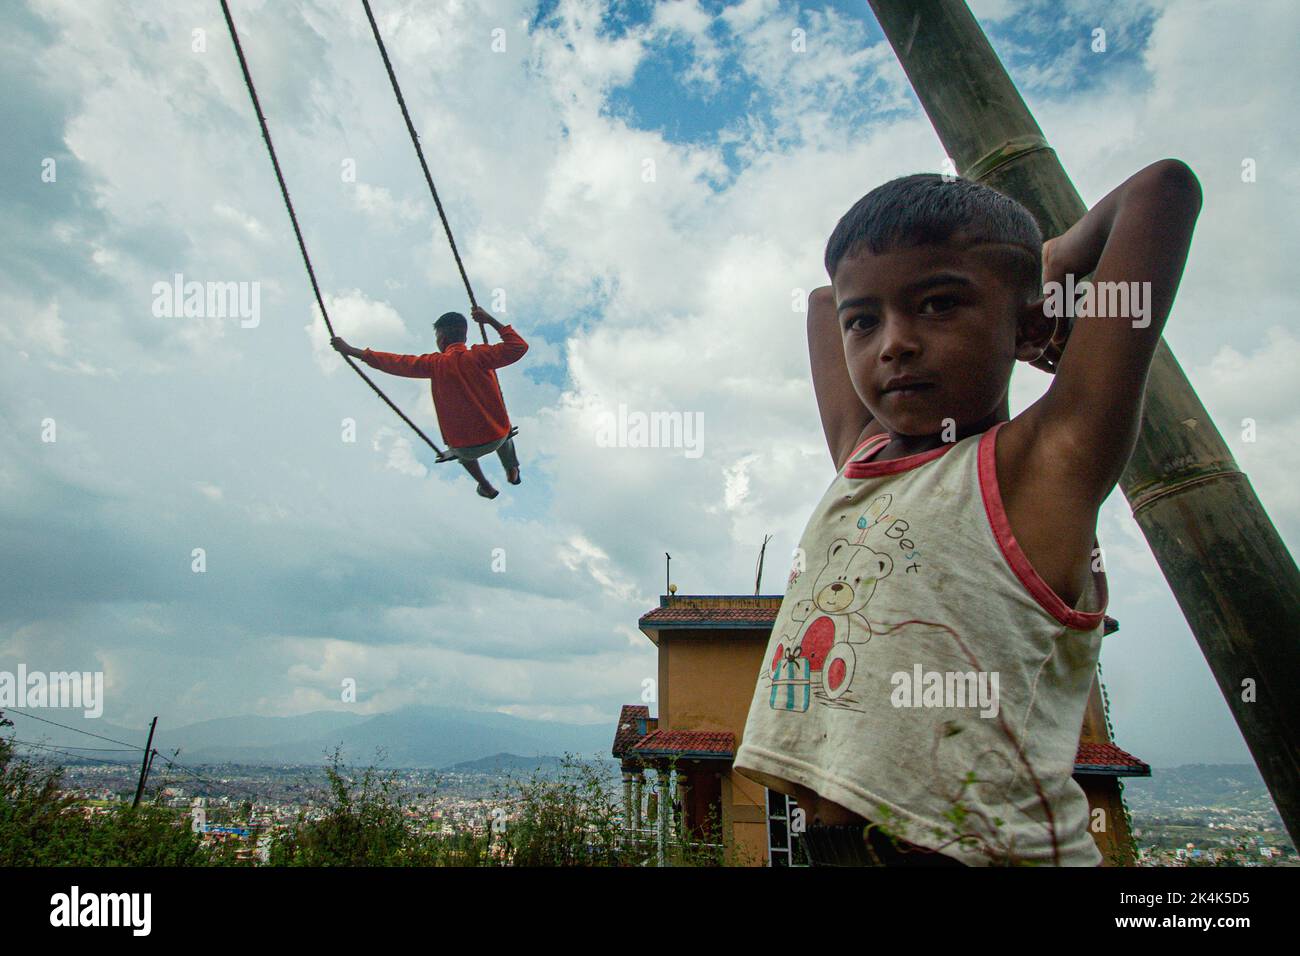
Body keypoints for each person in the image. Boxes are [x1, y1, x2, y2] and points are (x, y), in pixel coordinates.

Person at [733, 161, 1202, 866]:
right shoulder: (862, 461)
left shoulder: (1043, 464)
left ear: (1025, 321)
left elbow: (1162, 191)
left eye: (940, 304)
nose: (894, 342)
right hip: (831, 850)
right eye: (868, 322)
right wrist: (971, 295)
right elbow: (822, 301)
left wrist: (1049, 269)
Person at [331, 305, 528, 499]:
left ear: (441, 340)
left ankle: (485, 486)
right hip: (498, 435)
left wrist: (351, 350)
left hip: (466, 447)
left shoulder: (434, 364)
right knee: (505, 430)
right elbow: (519, 346)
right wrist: (489, 320)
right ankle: (512, 468)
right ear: (465, 337)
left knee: (462, 453)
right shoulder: (481, 356)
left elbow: (395, 362)